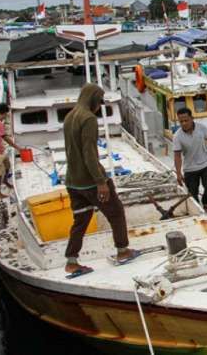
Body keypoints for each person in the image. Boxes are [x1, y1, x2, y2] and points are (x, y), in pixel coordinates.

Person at [63, 83, 137, 278]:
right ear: (94, 100)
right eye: (99, 102)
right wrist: (101, 181)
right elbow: (89, 153)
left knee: (81, 220)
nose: (99, 107)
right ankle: (122, 250)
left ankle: (71, 261)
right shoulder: (88, 118)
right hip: (90, 181)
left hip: (73, 181)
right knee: (116, 212)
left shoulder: (70, 116)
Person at [173, 107, 207, 213]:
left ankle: (205, 201)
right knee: (193, 193)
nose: (184, 123)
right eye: (181, 121)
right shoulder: (177, 136)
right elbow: (177, 156)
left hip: (205, 165)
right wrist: (178, 173)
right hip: (190, 169)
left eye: (186, 120)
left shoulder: (202, 128)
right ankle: (198, 210)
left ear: (192, 118)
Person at [0, 103, 23, 199]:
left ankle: (5, 181)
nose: (6, 117)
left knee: (7, 166)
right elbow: (5, 137)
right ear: (3, 113)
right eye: (6, 114)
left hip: (0, 150)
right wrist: (17, 147)